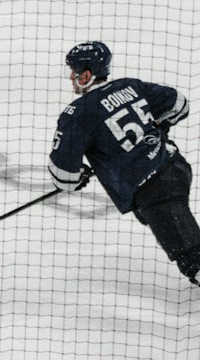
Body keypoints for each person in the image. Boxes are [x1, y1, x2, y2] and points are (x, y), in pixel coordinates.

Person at [48, 42, 200, 286]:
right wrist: (157, 128)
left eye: (74, 71)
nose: (71, 77)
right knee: (173, 228)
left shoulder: (78, 113)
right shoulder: (130, 85)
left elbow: (63, 177)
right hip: (175, 167)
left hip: (153, 190)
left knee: (193, 258)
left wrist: (79, 177)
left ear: (86, 75)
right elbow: (179, 105)